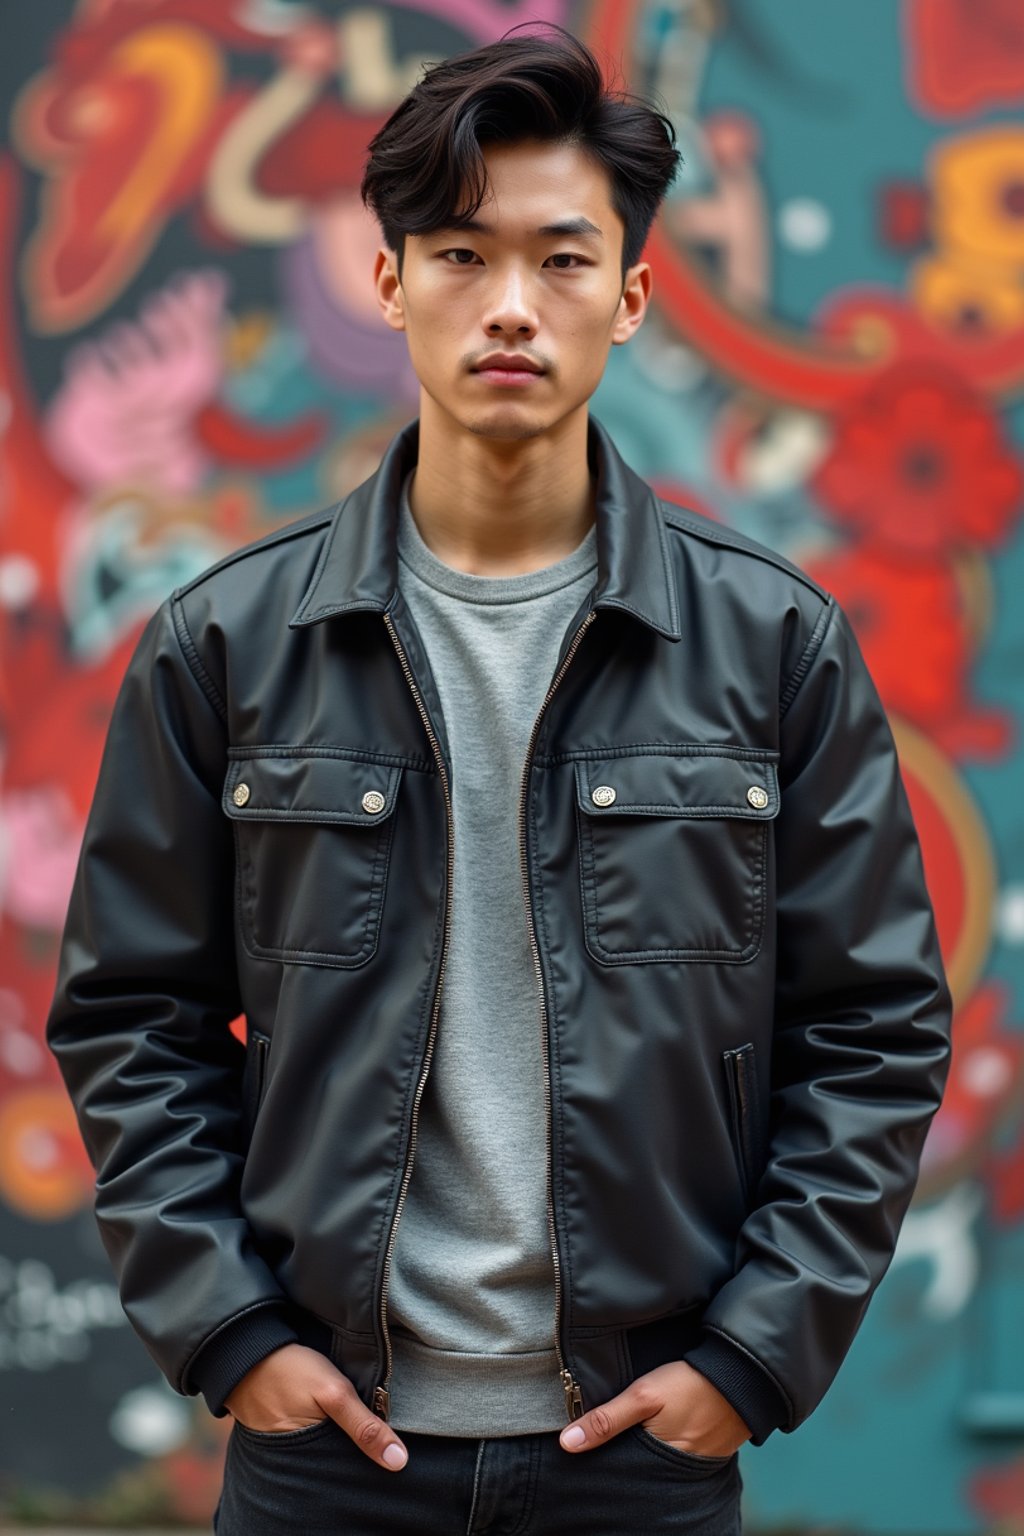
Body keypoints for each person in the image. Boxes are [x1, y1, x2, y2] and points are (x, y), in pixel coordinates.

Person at [46, 23, 953, 1536]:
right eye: (461, 256)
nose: (513, 308)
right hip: (327, 1454)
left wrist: (746, 1355)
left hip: (639, 1457)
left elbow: (873, 1024)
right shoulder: (228, 643)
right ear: (390, 280)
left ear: (634, 297)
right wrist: (235, 1333)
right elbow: (131, 1012)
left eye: (563, 260)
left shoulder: (774, 642)